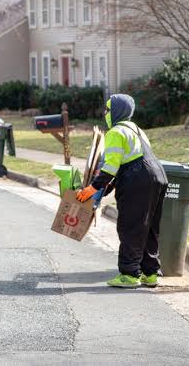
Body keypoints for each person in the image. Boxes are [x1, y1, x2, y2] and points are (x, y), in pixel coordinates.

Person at [76, 94, 167, 288]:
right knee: (149, 226)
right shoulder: (137, 129)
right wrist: (104, 190)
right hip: (157, 175)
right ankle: (150, 274)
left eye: (108, 110)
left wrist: (92, 188)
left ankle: (130, 274)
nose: (106, 113)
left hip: (137, 179)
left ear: (117, 111)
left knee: (130, 226)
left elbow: (111, 167)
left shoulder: (115, 132)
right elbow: (126, 163)